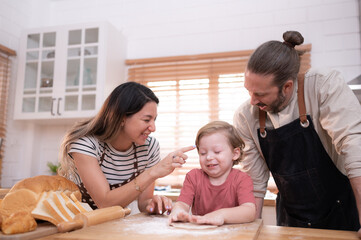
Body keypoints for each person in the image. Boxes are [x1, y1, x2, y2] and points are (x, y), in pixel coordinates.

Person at [233, 30, 361, 233]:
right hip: (291, 222)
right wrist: (250, 235)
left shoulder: (322, 86)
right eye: (249, 91)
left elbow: (354, 151)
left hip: (341, 216)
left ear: (287, 87)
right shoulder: (246, 116)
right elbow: (255, 185)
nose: (252, 101)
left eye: (260, 94)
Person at [58, 81, 195, 215]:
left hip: (115, 224)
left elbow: (143, 202)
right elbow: (104, 203)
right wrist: (153, 172)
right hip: (78, 223)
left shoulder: (149, 147)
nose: (153, 128)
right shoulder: (86, 144)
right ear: (122, 117)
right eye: (147, 120)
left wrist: (153, 203)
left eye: (154, 120)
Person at [168, 121, 256, 226]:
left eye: (217, 151)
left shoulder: (242, 179)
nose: (209, 157)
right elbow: (182, 204)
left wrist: (221, 215)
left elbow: (249, 211)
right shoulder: (193, 177)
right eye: (203, 153)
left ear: (235, 153)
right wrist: (178, 211)